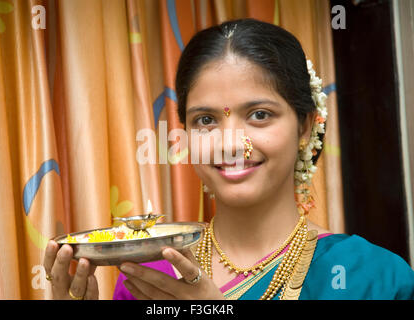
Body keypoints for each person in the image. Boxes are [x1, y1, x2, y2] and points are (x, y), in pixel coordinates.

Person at [43, 18, 414, 300]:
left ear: (304, 126)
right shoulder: (150, 278)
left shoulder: (371, 277)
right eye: (206, 120)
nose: (231, 143)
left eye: (259, 114)